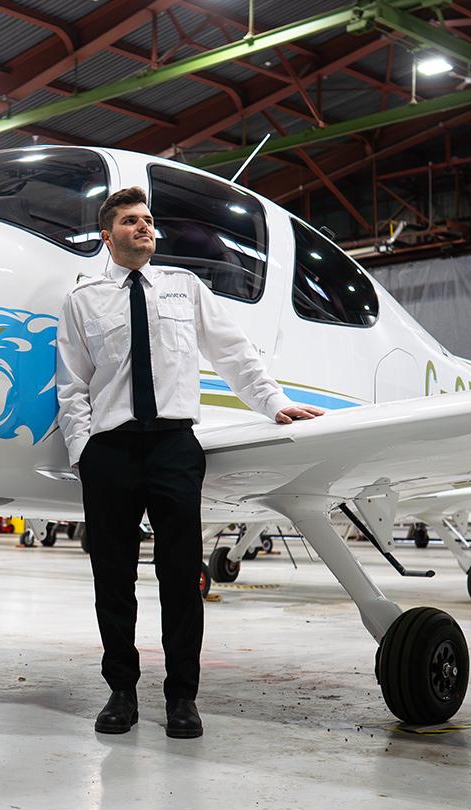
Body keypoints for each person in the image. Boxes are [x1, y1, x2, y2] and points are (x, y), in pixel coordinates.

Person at [56, 186, 325, 738]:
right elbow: (72, 386)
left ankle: (182, 697)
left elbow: (233, 354)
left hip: (176, 448)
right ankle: (121, 692)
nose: (145, 227)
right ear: (108, 237)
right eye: (131, 221)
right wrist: (85, 453)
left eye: (149, 220)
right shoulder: (82, 301)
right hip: (112, 451)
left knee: (180, 578)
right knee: (112, 580)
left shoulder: (185, 290)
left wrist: (274, 403)